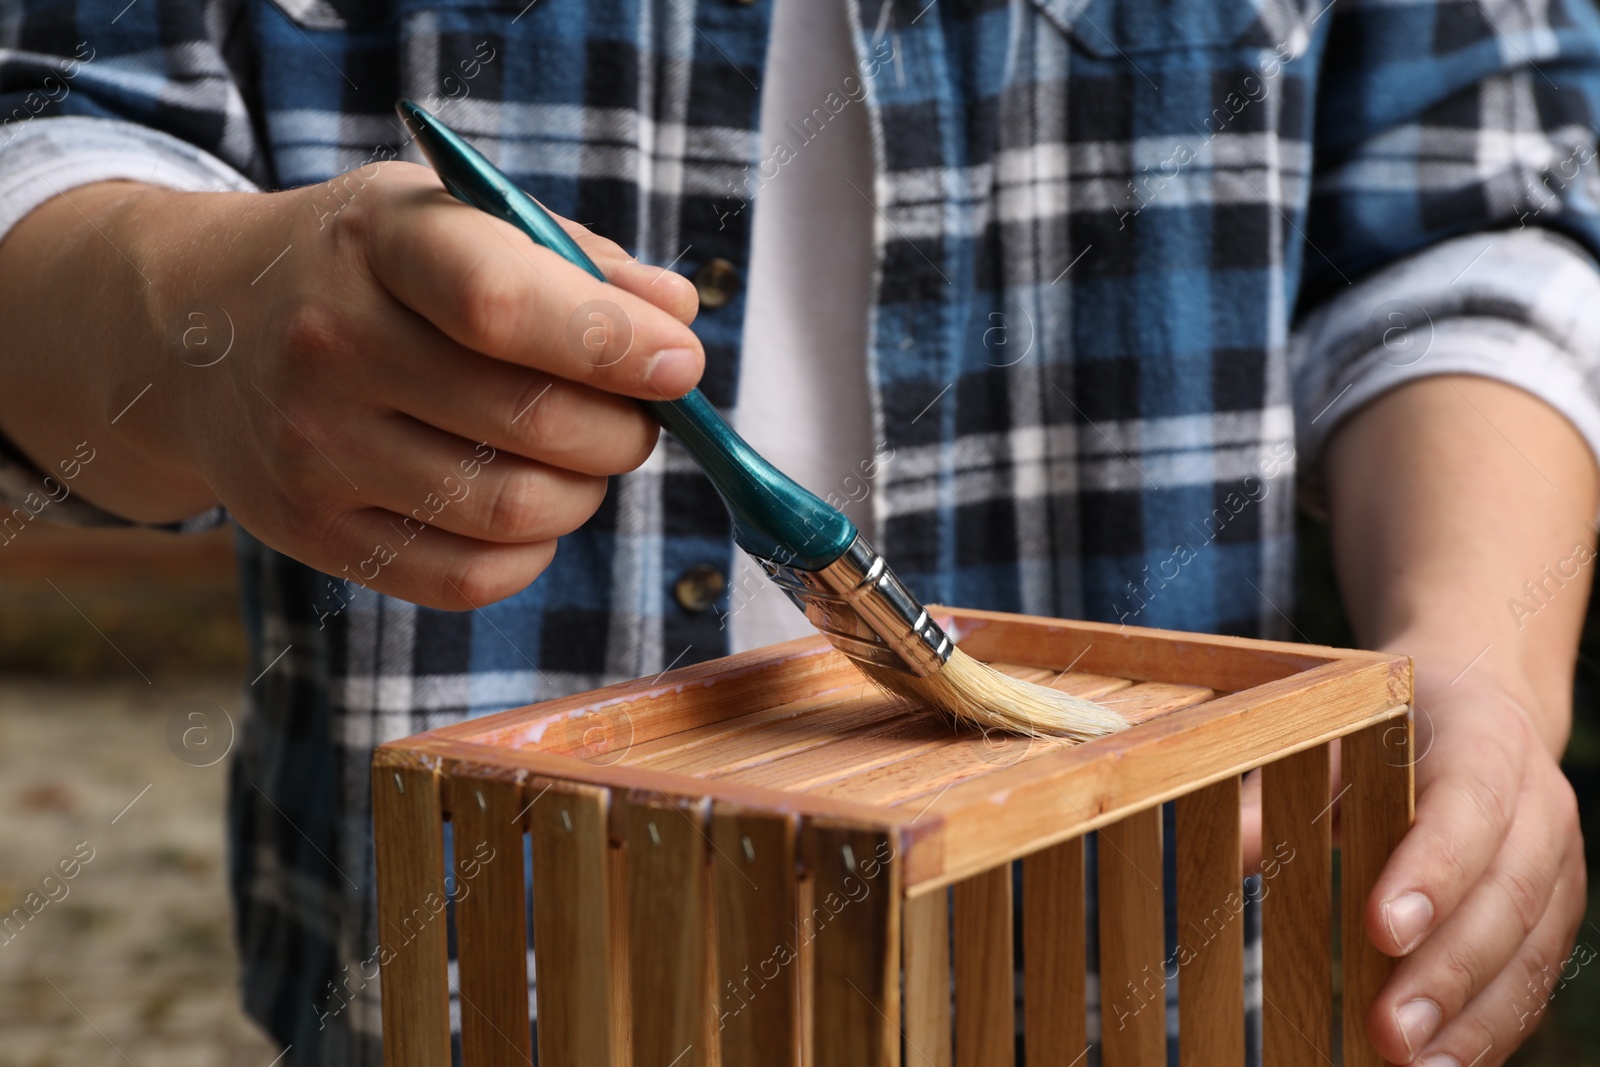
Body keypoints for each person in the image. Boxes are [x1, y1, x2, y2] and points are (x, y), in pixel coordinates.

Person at [0, 0, 1595, 1063]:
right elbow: (49, 120)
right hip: (479, 989)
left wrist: (1484, 652)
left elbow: (1482, 221)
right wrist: (203, 321)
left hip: (1193, 984)